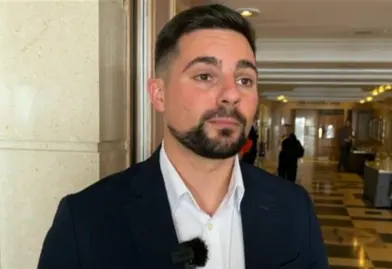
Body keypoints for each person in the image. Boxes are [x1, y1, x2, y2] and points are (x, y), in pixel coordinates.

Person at [38, 4, 328, 269]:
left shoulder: (294, 207)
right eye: (205, 76)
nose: (231, 94)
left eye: (244, 80)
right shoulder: (86, 220)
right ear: (159, 94)